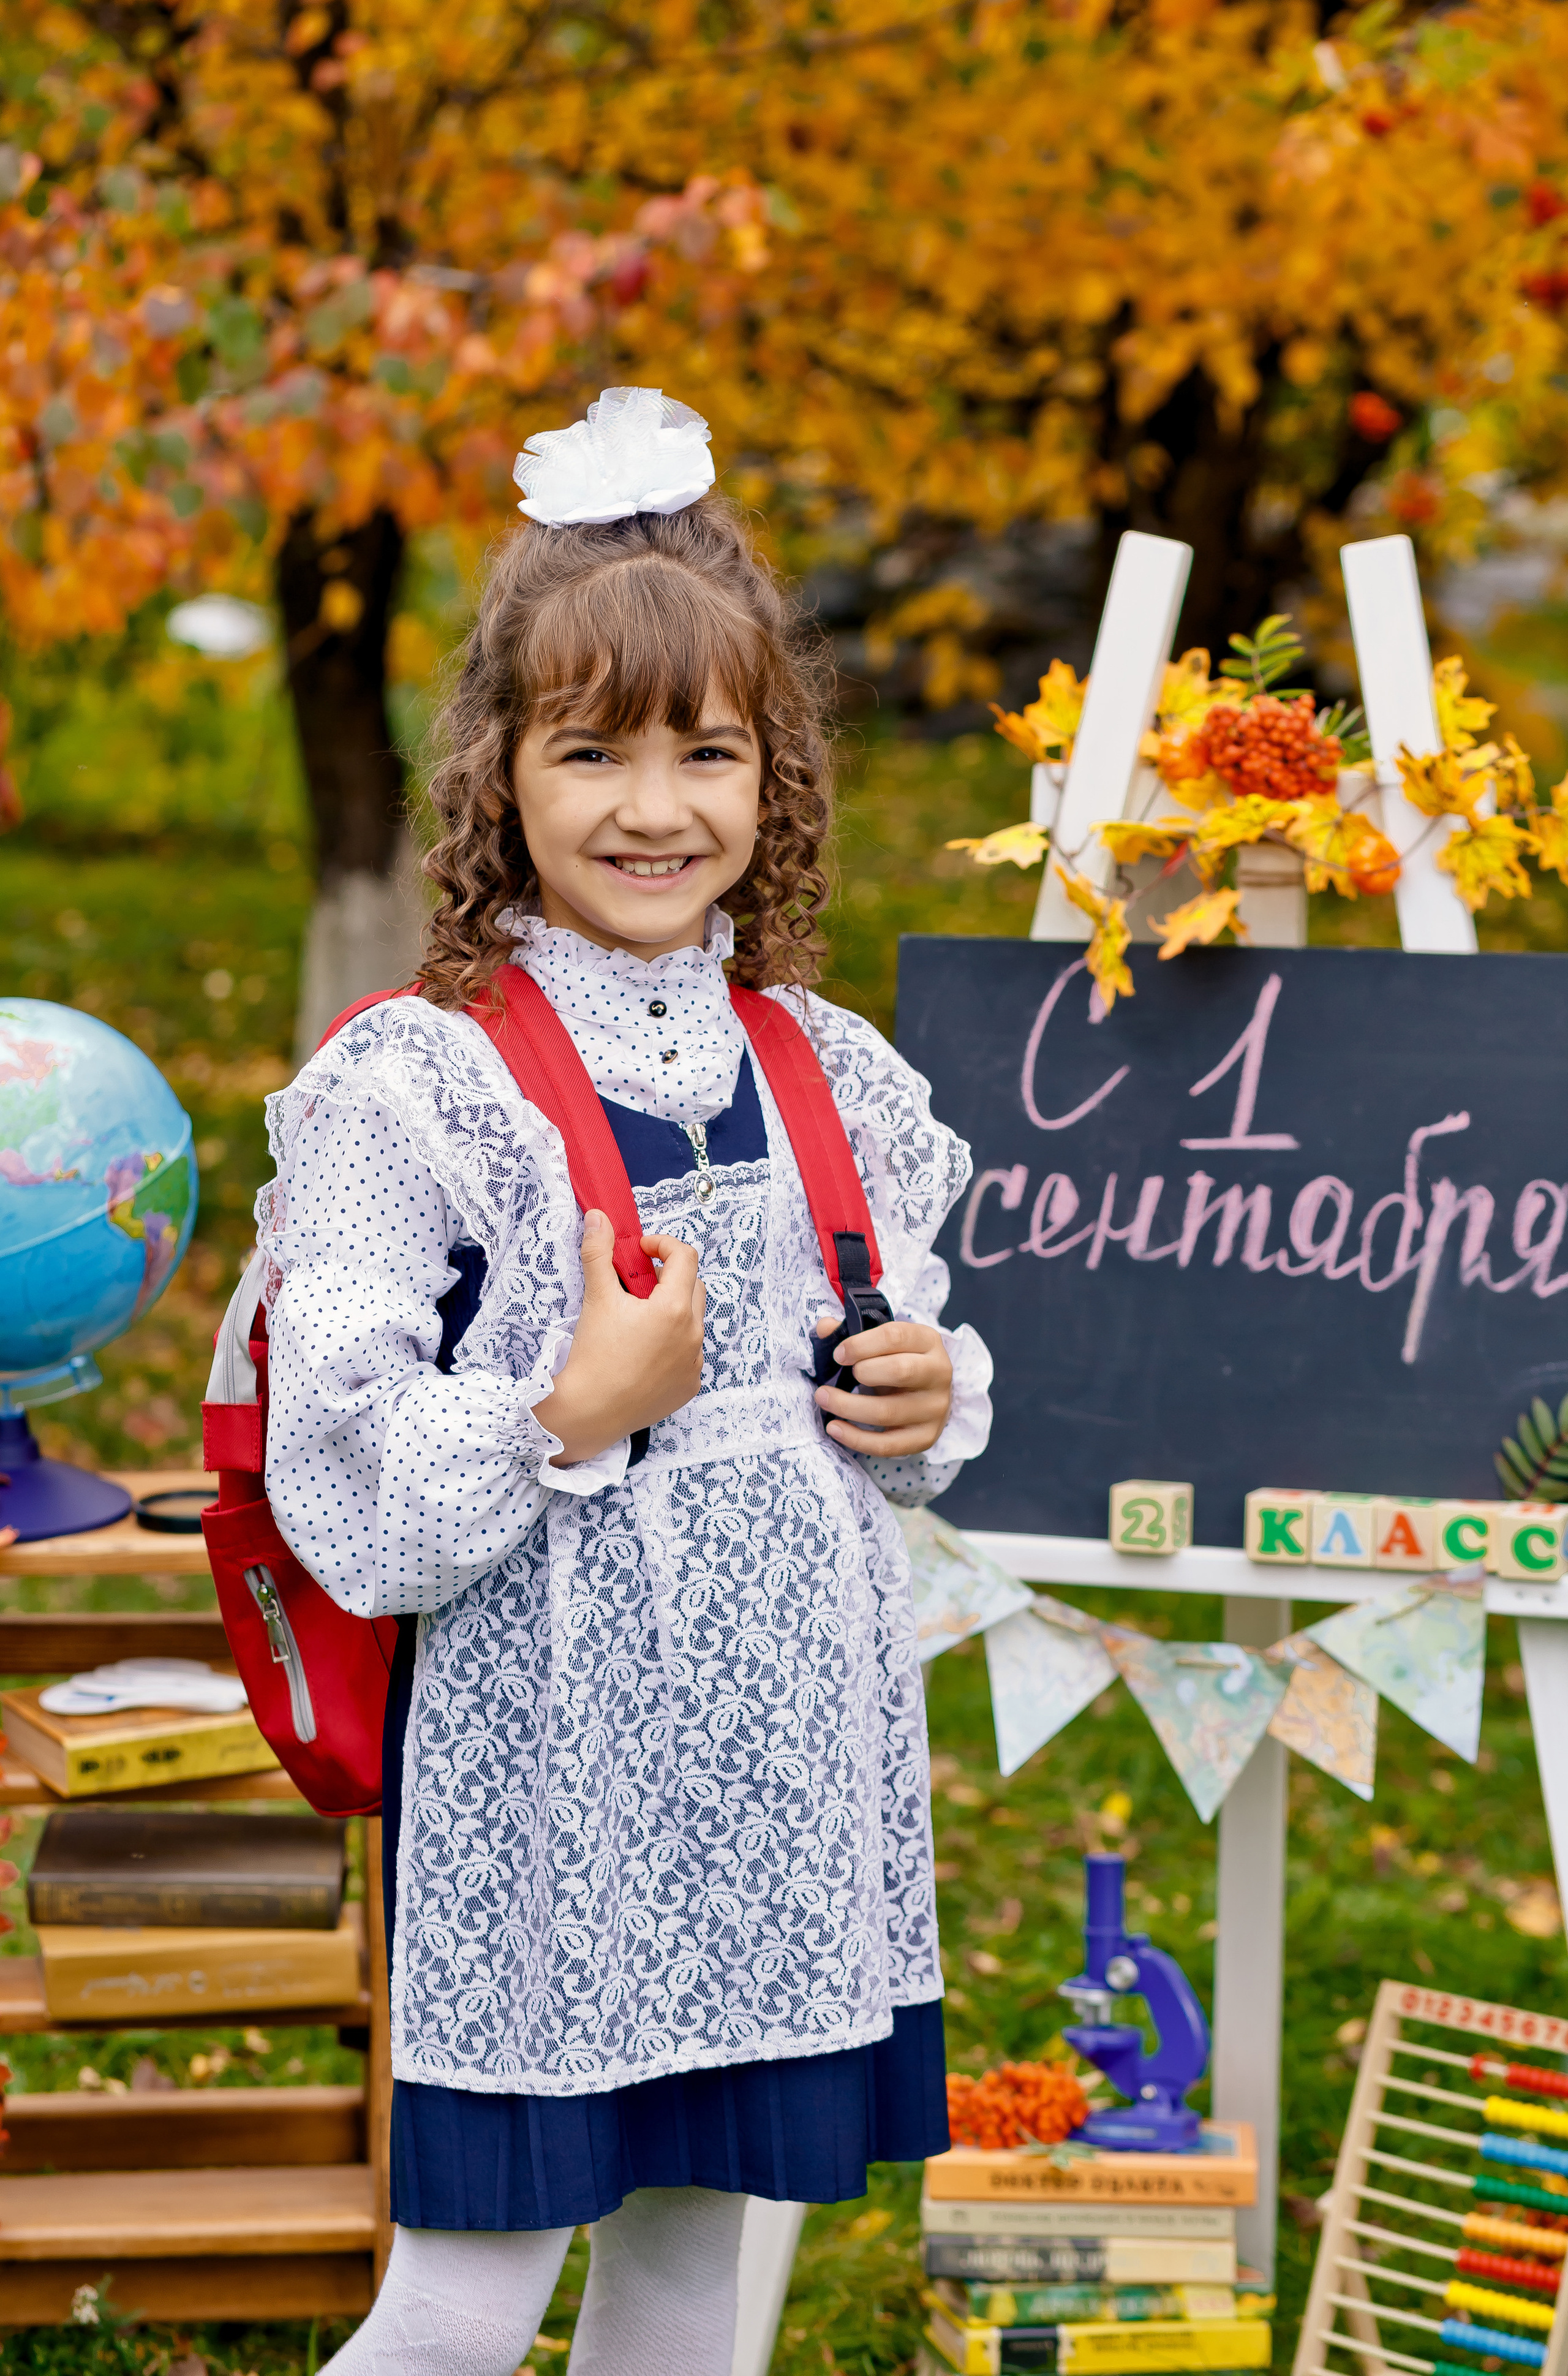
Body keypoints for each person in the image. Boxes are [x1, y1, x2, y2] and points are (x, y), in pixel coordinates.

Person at [260, 387, 993, 2376]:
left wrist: (930, 1393)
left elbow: (911, 1364)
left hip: (777, 1794)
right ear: (502, 774)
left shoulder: (831, 1073)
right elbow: (354, 1482)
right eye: (594, 752)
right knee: (472, 2295)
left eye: (708, 752)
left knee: (690, 2262)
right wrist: (563, 1409)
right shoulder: (416, 1089)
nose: (654, 806)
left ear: (779, 779)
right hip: (548, 1793)